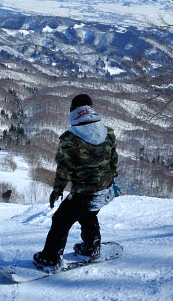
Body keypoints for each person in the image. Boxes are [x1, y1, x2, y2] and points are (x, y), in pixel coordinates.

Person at [33, 94, 119, 271]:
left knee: (60, 221)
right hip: (104, 189)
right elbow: (113, 161)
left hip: (83, 192)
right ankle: (91, 248)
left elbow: (64, 169)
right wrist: (108, 180)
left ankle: (50, 259)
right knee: (88, 214)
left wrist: (57, 190)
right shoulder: (108, 131)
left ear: (73, 111)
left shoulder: (69, 139)